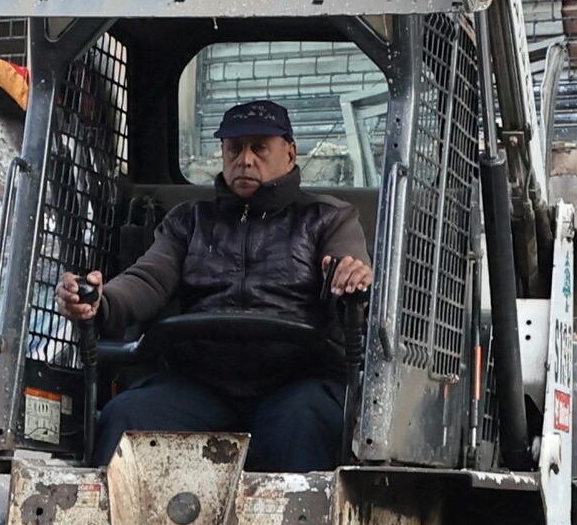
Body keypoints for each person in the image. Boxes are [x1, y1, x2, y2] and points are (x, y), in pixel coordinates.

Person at [60, 94, 374, 467]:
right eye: (234, 148)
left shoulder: (328, 219)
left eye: (259, 148)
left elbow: (346, 271)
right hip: (199, 385)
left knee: (303, 422)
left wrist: (349, 279)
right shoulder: (188, 222)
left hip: (296, 381)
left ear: (290, 153)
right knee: (125, 415)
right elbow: (148, 279)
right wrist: (100, 300)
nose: (245, 159)